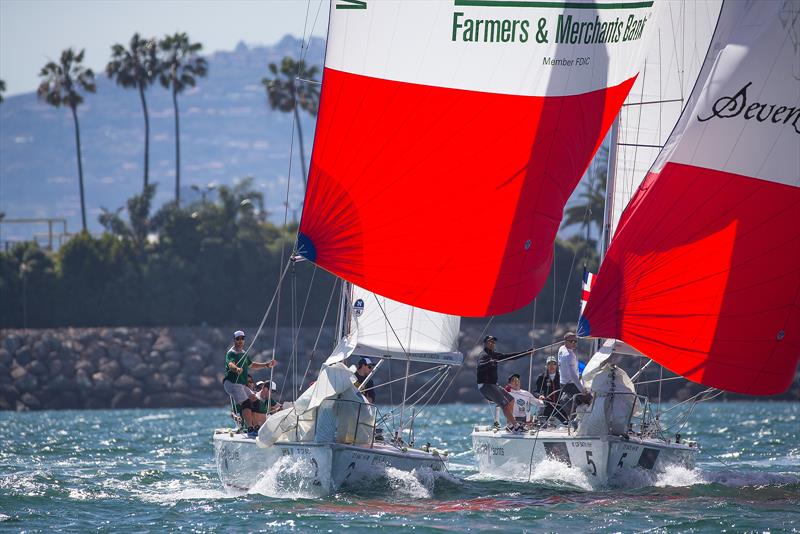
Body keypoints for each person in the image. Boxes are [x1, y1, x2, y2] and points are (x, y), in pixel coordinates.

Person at [222, 330, 277, 434]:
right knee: (246, 403)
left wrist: (266, 365)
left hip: (241, 385)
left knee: (255, 400)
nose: (240, 341)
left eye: (242, 338)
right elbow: (230, 364)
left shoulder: (244, 353)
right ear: (234, 340)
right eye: (238, 339)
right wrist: (236, 369)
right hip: (232, 383)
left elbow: (252, 365)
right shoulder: (231, 353)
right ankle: (250, 428)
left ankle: (255, 426)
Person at [476, 335, 533, 432]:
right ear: (485, 343)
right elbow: (480, 366)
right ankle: (516, 426)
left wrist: (526, 353)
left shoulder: (495, 355)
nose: (492, 343)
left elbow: (511, 357)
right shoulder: (483, 355)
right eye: (490, 342)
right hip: (485, 386)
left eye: (493, 342)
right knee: (505, 405)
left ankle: (510, 425)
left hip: (494, 385)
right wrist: (490, 362)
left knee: (511, 400)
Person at [557, 332, 592, 423]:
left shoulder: (561, 349)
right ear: (565, 341)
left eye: (575, 341)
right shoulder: (569, 355)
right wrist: (582, 390)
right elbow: (573, 375)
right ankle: (579, 421)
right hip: (570, 384)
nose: (574, 343)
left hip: (563, 383)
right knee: (590, 400)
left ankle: (577, 419)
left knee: (580, 402)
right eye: (571, 341)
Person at [534, 355, 566, 424]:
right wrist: (540, 396)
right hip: (547, 405)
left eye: (553, 364)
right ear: (546, 366)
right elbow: (536, 391)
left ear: (556, 365)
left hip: (559, 406)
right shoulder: (542, 377)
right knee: (541, 425)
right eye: (549, 364)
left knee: (567, 423)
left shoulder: (562, 376)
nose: (551, 366)